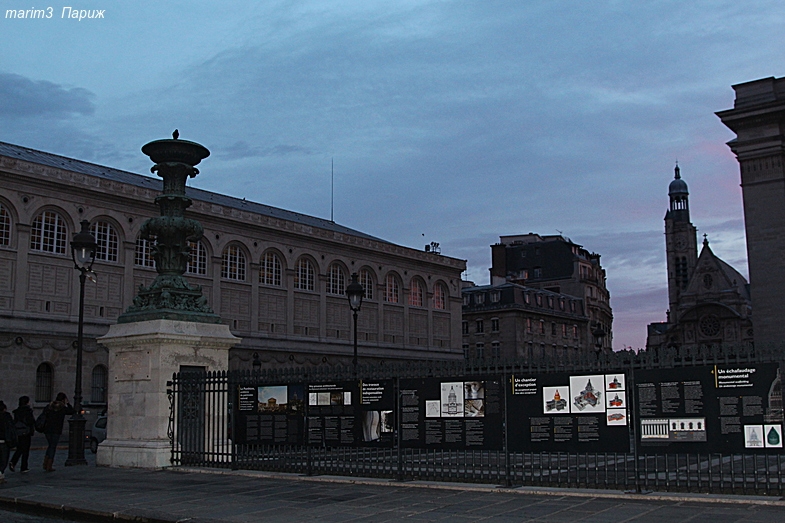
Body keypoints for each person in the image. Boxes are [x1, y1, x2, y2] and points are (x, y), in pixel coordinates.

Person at [41, 392, 75, 472]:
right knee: (53, 447)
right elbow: (72, 411)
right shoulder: (62, 408)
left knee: (50, 446)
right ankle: (49, 465)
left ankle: (45, 463)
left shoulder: (49, 406)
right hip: (56, 429)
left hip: (47, 429)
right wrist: (68, 403)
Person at [9, 396, 35, 473]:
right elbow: (31, 421)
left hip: (18, 432)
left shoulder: (17, 411)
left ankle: (13, 461)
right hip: (26, 432)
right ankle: (23, 466)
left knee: (20, 448)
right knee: (26, 450)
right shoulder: (28, 411)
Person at [0, 400, 16, 484]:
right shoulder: (6, 417)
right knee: (3, 459)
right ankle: (1, 474)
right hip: (4, 441)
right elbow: (11, 429)